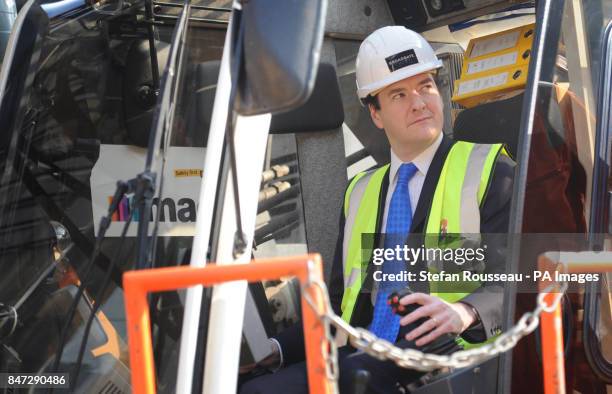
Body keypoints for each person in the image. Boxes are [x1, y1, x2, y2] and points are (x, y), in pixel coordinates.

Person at [240, 26, 515, 393]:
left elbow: (513, 276)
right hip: (366, 349)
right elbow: (338, 303)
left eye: (426, 86)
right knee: (251, 386)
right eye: (399, 94)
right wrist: (275, 348)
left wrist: (465, 312)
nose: (419, 102)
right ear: (376, 114)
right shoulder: (360, 192)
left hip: (445, 353)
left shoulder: (489, 170)